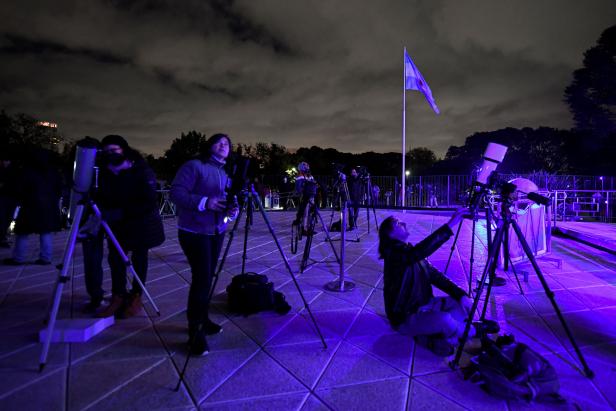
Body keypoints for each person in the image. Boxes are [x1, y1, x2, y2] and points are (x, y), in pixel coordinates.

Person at [378, 208, 496, 356]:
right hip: (406, 317)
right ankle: (471, 330)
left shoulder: (410, 252)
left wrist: (461, 295)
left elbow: (436, 277)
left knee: (460, 304)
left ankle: (434, 336)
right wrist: (450, 225)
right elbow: (417, 253)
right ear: (389, 234)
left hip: (427, 305)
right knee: (445, 319)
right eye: (397, 223)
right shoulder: (394, 255)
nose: (403, 223)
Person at [170, 133, 238, 356]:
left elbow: (226, 199)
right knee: (201, 279)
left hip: (216, 231)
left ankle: (203, 318)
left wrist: (231, 210)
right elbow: (177, 193)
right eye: (219, 142)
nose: (223, 145)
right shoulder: (194, 166)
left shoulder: (225, 172)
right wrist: (204, 202)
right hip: (194, 231)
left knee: (208, 277)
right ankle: (194, 331)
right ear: (209, 146)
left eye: (227, 143)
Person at [95, 135, 165, 318]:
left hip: (140, 223)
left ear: (124, 150)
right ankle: (118, 295)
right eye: (107, 151)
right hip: (116, 225)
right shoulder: (104, 171)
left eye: (114, 150)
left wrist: (123, 211)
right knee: (116, 260)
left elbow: (149, 200)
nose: (110, 154)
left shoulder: (140, 170)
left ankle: (136, 295)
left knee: (139, 259)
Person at [3, 148, 63, 265]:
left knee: (22, 232)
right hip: (49, 207)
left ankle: (19, 258)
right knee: (45, 232)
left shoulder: (27, 172)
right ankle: (46, 258)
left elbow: (19, 189)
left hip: (30, 206)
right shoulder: (53, 172)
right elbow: (59, 189)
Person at [0, 150, 18, 248]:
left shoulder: (12, 171)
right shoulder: (11, 171)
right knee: (4, 218)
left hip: (9, 198)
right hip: (7, 198)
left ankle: (3, 237)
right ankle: (2, 238)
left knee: (6, 218)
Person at [293, 162, 316, 232]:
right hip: (305, 197)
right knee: (305, 213)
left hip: (310, 196)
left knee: (311, 213)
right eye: (306, 167)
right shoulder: (300, 176)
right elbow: (299, 188)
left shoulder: (308, 176)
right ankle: (304, 229)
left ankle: (309, 228)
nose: (307, 168)